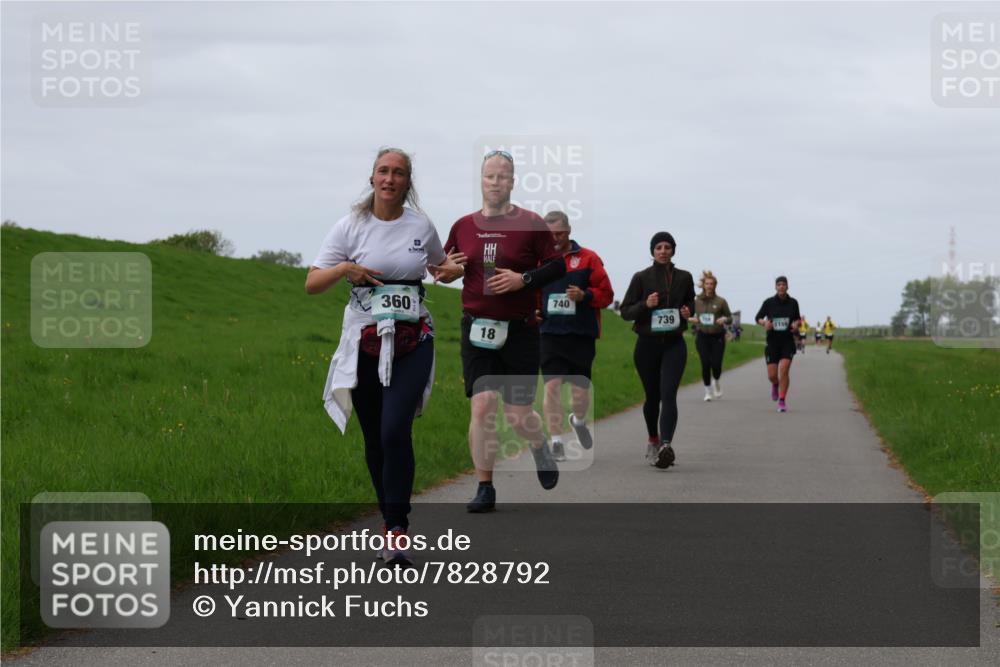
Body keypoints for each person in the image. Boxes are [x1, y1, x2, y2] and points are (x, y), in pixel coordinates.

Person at [308, 147, 460, 566]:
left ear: (408, 183)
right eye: (383, 171)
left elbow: (440, 266)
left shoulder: (420, 224)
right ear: (372, 178)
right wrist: (344, 270)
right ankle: (388, 521)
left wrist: (453, 271)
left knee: (395, 429)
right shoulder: (349, 226)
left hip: (414, 339)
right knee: (374, 436)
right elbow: (312, 283)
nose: (390, 179)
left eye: (398, 173)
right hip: (364, 341)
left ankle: (397, 527)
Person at [431, 150, 567, 512]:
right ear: (481, 179)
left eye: (503, 176)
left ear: (513, 181)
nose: (496, 182)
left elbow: (557, 268)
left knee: (518, 416)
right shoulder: (463, 226)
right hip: (476, 330)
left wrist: (524, 279)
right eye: (490, 176)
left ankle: (538, 445)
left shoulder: (532, 223)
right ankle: (485, 486)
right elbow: (443, 267)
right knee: (483, 405)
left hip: (521, 331)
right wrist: (448, 270)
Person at [538, 211, 614, 460]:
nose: (555, 239)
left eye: (559, 233)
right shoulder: (540, 260)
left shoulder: (588, 258)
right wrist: (533, 312)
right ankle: (557, 441)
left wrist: (585, 296)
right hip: (549, 334)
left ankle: (578, 421)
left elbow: (607, 294)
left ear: (569, 231)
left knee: (580, 396)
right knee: (551, 388)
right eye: (550, 235)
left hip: (581, 335)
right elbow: (529, 292)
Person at [620, 232, 695, 468]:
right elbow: (625, 311)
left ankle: (666, 445)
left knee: (668, 394)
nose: (663, 251)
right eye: (659, 247)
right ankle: (653, 439)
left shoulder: (684, 277)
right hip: (647, 345)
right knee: (652, 397)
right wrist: (646, 305)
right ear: (652, 251)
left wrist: (687, 311)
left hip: (674, 344)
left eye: (667, 247)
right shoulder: (641, 277)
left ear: (673, 250)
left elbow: (691, 302)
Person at [754, 276, 802, 413]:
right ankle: (775, 384)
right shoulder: (768, 302)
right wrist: (764, 323)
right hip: (772, 342)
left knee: (784, 370)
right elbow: (757, 317)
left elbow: (798, 319)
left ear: (787, 287)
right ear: (775, 287)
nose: (781, 287)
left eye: (783, 284)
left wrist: (796, 324)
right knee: (772, 375)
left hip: (787, 341)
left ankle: (782, 400)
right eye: (779, 284)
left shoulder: (793, 303)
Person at [689, 270, 732, 402]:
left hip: (717, 336)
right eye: (707, 283)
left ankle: (716, 381)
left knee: (716, 364)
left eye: (712, 284)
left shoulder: (721, 301)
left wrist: (724, 319)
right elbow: (689, 315)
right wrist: (691, 319)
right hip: (702, 336)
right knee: (705, 363)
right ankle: (707, 391)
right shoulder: (697, 301)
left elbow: (730, 318)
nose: (709, 286)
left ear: (715, 285)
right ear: (703, 285)